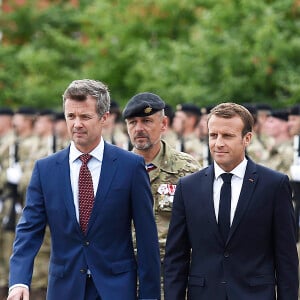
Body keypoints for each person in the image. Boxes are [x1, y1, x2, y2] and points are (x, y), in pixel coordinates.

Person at [7, 79, 161, 300]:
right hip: (65, 288)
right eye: (71, 116)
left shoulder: (130, 167)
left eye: (85, 117)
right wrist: (19, 280)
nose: (76, 124)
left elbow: (147, 239)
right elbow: (29, 229)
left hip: (116, 288)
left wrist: (149, 296)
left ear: (104, 118)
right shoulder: (46, 169)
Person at [164, 102, 299, 300]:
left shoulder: (274, 185)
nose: (218, 143)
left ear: (247, 138)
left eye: (227, 136)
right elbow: (176, 257)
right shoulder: (188, 187)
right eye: (213, 135)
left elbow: (286, 258)